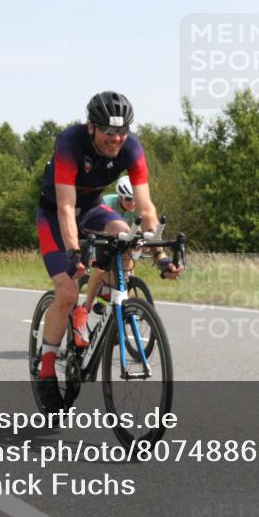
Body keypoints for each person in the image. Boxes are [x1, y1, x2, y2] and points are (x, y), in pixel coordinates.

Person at [35, 91, 181, 411]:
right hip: (55, 215)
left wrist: (160, 255)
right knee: (67, 289)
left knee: (126, 238)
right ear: (91, 127)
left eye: (122, 131)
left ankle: (105, 307)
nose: (116, 138)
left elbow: (145, 207)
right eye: (108, 132)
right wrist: (74, 252)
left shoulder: (131, 147)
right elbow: (65, 206)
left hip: (92, 208)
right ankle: (46, 368)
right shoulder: (69, 143)